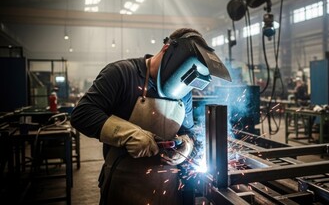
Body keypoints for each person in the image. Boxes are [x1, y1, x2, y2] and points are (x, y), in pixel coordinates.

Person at [70, 28, 231, 205]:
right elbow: (82, 114)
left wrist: (186, 144)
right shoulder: (122, 73)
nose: (181, 85)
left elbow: (188, 131)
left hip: (169, 188)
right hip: (124, 184)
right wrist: (128, 134)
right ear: (166, 50)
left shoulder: (183, 91)